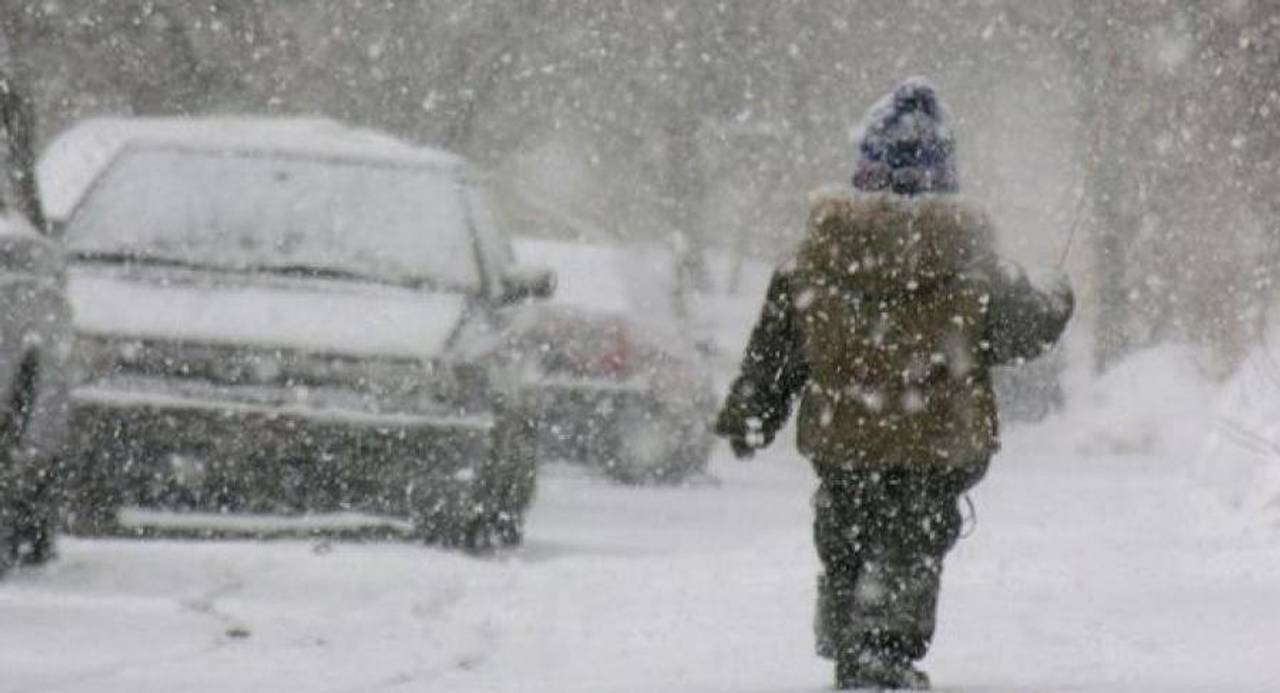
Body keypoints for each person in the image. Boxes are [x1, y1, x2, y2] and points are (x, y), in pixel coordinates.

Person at [714, 77, 1073, 690]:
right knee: (912, 540)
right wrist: (1058, 293)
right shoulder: (974, 265)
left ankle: (848, 640)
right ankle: (882, 653)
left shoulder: (814, 260)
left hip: (842, 437)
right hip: (937, 443)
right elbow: (1027, 330)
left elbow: (777, 350)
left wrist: (754, 412)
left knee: (844, 531)